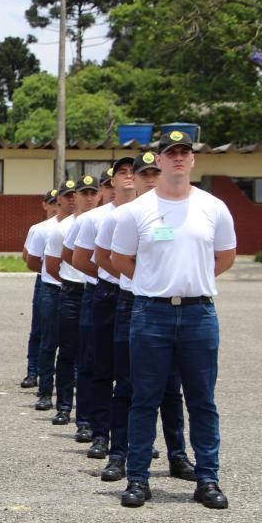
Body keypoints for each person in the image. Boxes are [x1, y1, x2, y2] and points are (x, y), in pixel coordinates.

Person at [111, 131, 236, 509]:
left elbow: (226, 256)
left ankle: (208, 479)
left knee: (202, 401)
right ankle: (138, 479)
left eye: (185, 152)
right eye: (171, 153)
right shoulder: (136, 210)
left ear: (193, 160)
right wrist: (155, 282)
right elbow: (119, 259)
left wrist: (192, 279)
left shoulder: (213, 207)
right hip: (151, 314)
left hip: (199, 313)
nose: (179, 158)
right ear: (160, 160)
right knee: (144, 399)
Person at [94, 152, 195, 483]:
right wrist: (140, 279)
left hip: (167, 306)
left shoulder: (173, 210)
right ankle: (118, 455)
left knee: (170, 387)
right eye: (143, 173)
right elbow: (102, 257)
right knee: (126, 384)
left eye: (154, 172)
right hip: (132, 302)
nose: (150, 179)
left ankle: (177, 455)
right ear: (132, 179)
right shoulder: (121, 215)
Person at [44, 176, 99, 426]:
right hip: (71, 293)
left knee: (93, 355)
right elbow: (52, 266)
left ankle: (89, 413)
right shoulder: (62, 228)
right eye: (83, 193)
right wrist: (71, 283)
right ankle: (64, 406)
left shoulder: (104, 221)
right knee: (67, 351)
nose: (88, 198)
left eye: (93, 193)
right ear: (74, 196)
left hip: (97, 292)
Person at [63, 170, 113, 443]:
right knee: (90, 360)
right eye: (107, 185)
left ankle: (123, 430)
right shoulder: (89, 219)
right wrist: (105, 276)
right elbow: (69, 255)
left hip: (132, 295)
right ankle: (86, 421)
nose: (112, 190)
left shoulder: (140, 213)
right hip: (96, 291)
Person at [26, 185, 73, 412]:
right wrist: (52, 275)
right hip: (51, 288)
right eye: (66, 197)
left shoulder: (86, 223)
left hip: (76, 290)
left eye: (75, 196)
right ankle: (44, 390)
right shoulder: (44, 229)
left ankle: (68, 393)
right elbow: (31, 260)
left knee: (73, 346)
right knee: (47, 341)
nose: (72, 201)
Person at [19, 190, 58, 389]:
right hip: (45, 280)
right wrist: (48, 269)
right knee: (39, 329)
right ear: (45, 205)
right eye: (52, 202)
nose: (55, 206)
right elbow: (27, 256)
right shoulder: (38, 228)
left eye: (58, 202)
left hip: (66, 281)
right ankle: (33, 371)